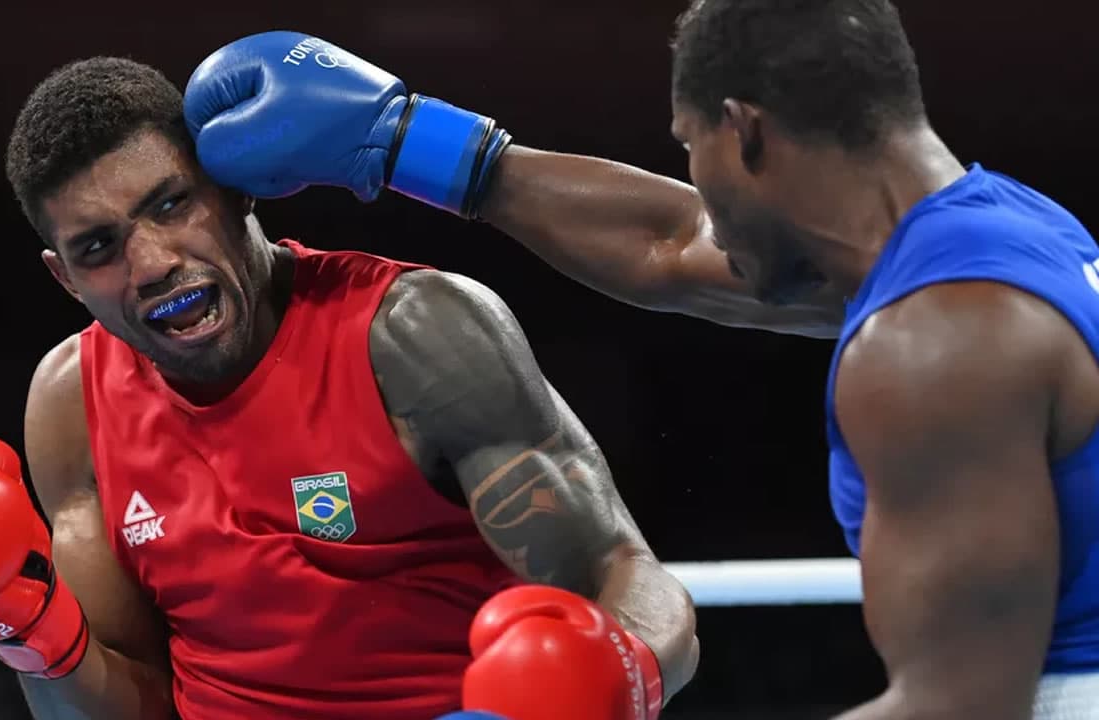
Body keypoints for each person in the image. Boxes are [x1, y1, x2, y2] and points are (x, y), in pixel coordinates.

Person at [180, 3, 1099, 716]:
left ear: (743, 131)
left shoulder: (933, 343)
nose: (695, 183)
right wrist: (407, 136)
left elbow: (959, 708)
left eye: (689, 146)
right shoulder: (1005, 237)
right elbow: (672, 244)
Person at [0, 56, 700, 720]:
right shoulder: (72, 402)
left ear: (234, 191)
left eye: (171, 204)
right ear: (65, 279)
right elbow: (125, 703)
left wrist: (612, 674)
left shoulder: (411, 335)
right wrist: (27, 632)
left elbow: (625, 576)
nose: (150, 264)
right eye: (99, 247)